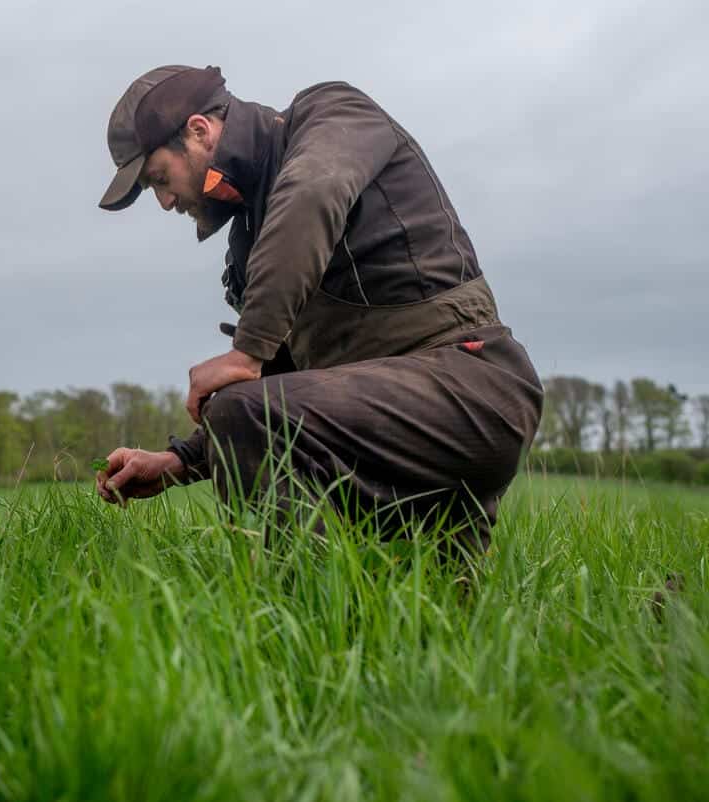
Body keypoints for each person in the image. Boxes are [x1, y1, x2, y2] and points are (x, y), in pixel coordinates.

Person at [93, 65, 543, 551]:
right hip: (382, 430)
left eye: (159, 179)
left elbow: (313, 190)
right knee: (424, 611)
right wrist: (180, 461)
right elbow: (275, 391)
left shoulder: (332, 115)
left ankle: (300, 616)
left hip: (468, 386)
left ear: (200, 131)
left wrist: (247, 350)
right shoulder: (251, 242)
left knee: (242, 411)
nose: (164, 202)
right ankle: (357, 609)